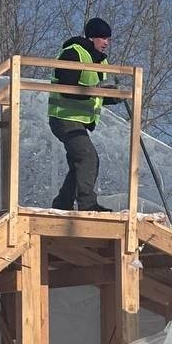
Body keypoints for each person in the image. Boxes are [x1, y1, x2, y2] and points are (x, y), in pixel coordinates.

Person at [48, 17, 122, 211]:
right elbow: (68, 89)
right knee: (88, 157)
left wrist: (112, 97)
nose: (106, 43)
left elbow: (93, 95)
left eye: (108, 39)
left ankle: (62, 203)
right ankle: (87, 204)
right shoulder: (73, 54)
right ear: (91, 38)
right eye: (102, 38)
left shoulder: (100, 60)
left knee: (79, 163)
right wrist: (98, 88)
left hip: (79, 120)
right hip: (64, 117)